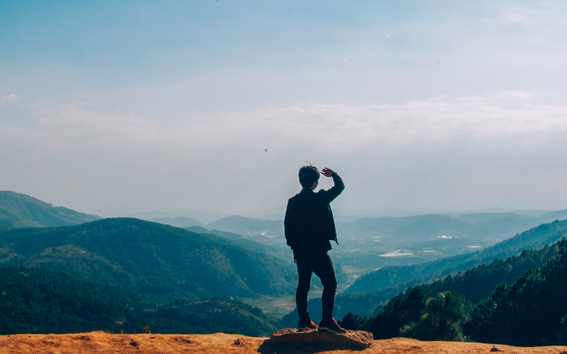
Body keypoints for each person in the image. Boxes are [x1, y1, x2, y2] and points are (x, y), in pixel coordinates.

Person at [284, 164, 347, 333]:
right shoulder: (320, 198)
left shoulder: (293, 202)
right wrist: (333, 174)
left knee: (303, 285)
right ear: (314, 182)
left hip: (301, 252)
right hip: (318, 251)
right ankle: (326, 320)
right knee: (330, 283)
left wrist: (294, 248)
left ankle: (304, 321)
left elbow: (288, 228)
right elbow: (340, 187)